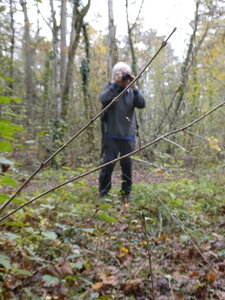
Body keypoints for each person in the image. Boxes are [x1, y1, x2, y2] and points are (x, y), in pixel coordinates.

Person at [99, 61, 146, 200]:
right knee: (108, 164)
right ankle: (104, 193)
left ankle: (126, 193)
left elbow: (142, 104)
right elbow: (103, 99)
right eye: (123, 73)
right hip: (111, 135)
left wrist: (134, 86)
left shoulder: (132, 91)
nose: (126, 77)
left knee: (127, 166)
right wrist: (116, 84)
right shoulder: (109, 87)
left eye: (128, 73)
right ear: (115, 75)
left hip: (128, 136)